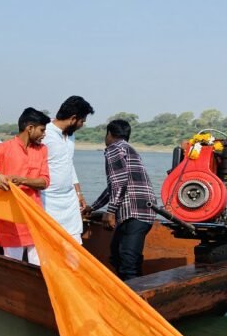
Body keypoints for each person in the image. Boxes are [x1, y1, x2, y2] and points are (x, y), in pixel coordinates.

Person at [0, 108, 50, 264]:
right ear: (30, 128)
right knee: (12, 266)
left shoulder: (42, 150)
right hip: (10, 221)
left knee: (39, 267)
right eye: (42, 130)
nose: (44, 134)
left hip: (34, 218)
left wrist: (22, 180)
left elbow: (45, 182)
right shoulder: (3, 148)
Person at [84, 120, 156, 280]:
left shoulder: (114, 149)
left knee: (127, 263)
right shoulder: (128, 149)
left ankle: (134, 294)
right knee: (117, 256)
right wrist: (93, 207)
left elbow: (119, 182)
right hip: (140, 211)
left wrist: (110, 211)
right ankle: (130, 288)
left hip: (134, 212)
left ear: (109, 134)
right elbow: (115, 185)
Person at [42, 95, 95, 244]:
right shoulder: (44, 133)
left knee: (74, 244)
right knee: (49, 243)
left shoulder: (70, 136)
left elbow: (68, 164)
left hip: (69, 202)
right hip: (47, 201)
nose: (82, 125)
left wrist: (79, 194)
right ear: (73, 119)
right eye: (82, 121)